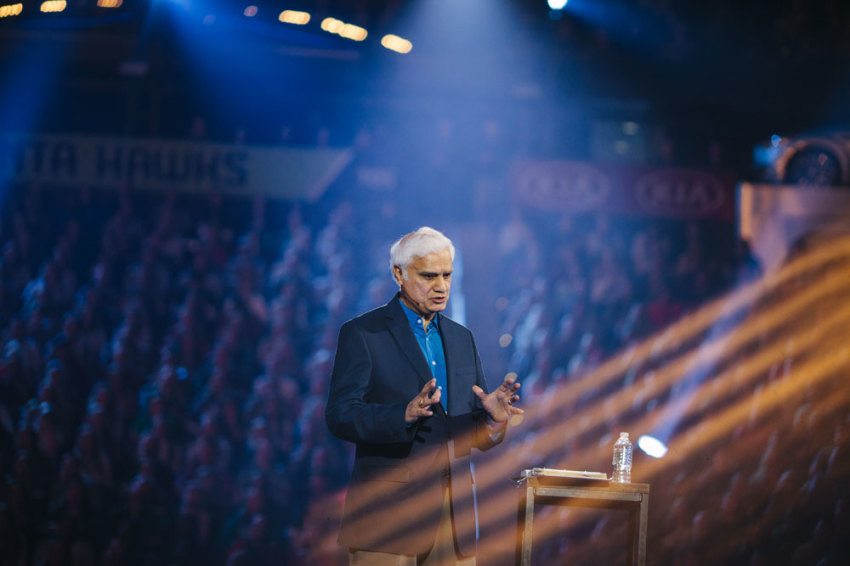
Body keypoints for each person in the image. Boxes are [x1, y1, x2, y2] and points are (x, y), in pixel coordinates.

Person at [325, 226, 523, 566]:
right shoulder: (363, 333)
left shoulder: (462, 338)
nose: (441, 286)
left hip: (454, 516)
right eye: (429, 275)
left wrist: (490, 420)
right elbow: (341, 414)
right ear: (398, 274)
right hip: (388, 518)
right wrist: (400, 415)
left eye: (447, 274)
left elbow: (460, 430)